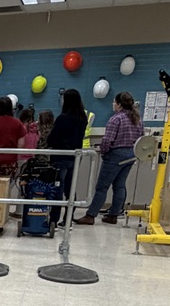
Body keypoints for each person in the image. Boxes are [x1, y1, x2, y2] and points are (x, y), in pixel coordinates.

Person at [75, 91, 144, 224]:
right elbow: (141, 138)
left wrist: (104, 152)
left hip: (116, 155)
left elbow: (107, 140)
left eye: (114, 102)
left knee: (102, 186)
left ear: (119, 104)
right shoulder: (137, 120)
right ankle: (114, 214)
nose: (113, 104)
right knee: (119, 186)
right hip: (131, 155)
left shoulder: (116, 119)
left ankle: (91, 215)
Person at [46, 89, 88, 227]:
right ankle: (68, 219)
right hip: (75, 156)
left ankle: (53, 220)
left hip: (60, 156)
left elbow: (52, 138)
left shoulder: (62, 118)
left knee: (58, 187)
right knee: (70, 188)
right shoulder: (82, 118)